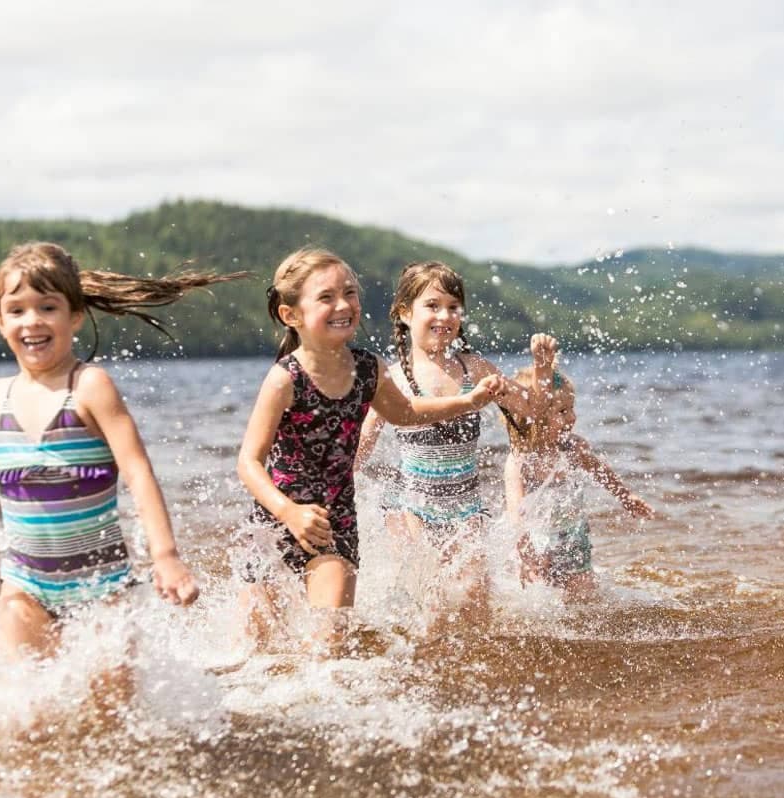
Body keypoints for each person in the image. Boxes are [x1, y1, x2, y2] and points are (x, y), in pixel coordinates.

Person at [0, 242, 245, 659]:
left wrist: (165, 556)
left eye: (48, 307)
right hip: (23, 585)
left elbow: (138, 473)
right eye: (17, 310)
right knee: (27, 715)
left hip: (101, 585)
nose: (31, 321)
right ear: (0, 321)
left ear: (75, 315)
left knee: (108, 715)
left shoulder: (89, 386)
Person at [236, 249, 511, 644]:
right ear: (290, 315)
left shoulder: (368, 368)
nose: (344, 304)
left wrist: (467, 402)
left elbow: (408, 411)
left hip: (335, 523)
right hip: (275, 522)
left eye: (350, 293)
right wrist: (289, 512)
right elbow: (249, 462)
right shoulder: (285, 379)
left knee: (330, 640)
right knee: (254, 648)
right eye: (326, 297)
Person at [353, 261, 556, 620]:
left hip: (465, 508)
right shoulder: (393, 380)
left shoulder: (474, 369)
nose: (444, 315)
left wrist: (541, 371)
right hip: (410, 505)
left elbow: (530, 411)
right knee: (428, 602)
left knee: (477, 604)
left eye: (453, 307)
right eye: (432, 305)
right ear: (404, 313)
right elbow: (360, 449)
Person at [503, 367, 654, 601]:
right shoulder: (520, 460)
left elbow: (600, 471)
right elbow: (515, 512)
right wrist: (526, 548)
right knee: (538, 600)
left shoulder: (574, 448)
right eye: (562, 411)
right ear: (531, 417)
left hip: (573, 537)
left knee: (584, 595)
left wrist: (625, 496)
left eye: (572, 408)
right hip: (535, 541)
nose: (572, 417)